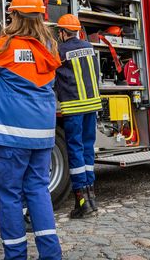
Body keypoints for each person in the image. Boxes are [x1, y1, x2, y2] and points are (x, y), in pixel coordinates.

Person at [0, 0, 62, 260]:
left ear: (14, 16)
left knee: (9, 194)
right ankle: (51, 254)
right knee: (37, 190)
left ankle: (15, 255)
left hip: (11, 134)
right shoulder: (49, 48)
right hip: (43, 134)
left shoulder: (6, 45)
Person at [55, 14, 102, 218]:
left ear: (64, 32)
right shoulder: (90, 47)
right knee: (87, 150)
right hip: (92, 105)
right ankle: (91, 198)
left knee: (75, 150)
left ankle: (81, 202)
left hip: (73, 107)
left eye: (59, 32)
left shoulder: (60, 51)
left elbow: (53, 78)